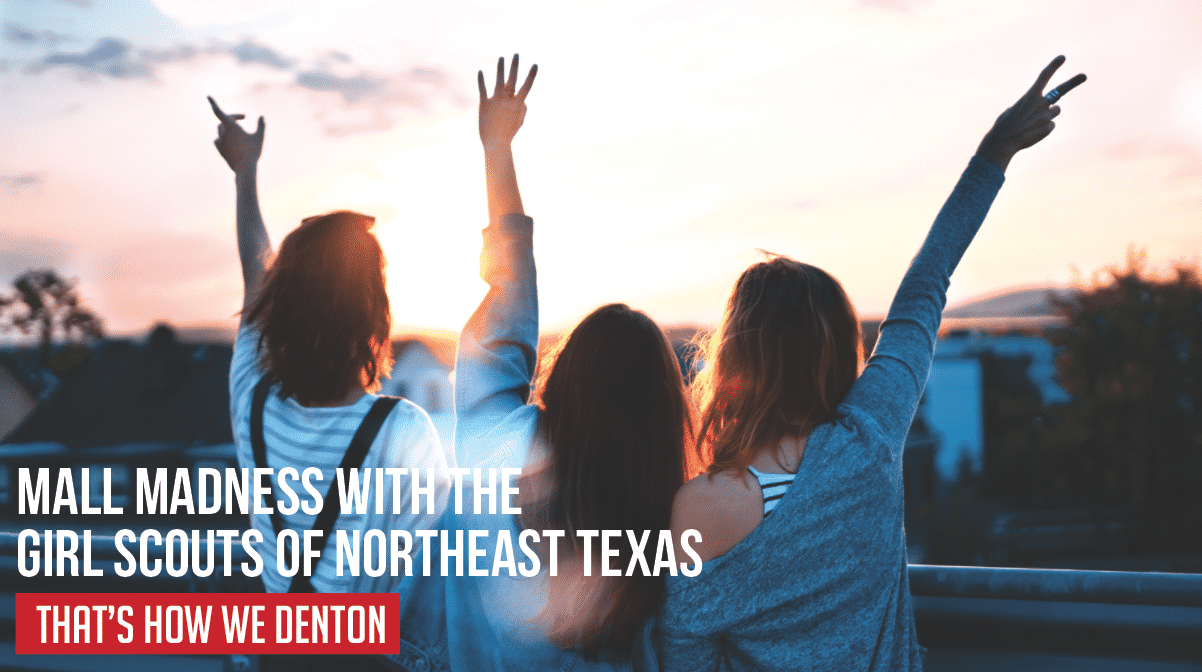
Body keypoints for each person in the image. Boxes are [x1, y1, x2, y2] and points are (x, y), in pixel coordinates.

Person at [662, 56, 1087, 671]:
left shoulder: (700, 507)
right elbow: (925, 288)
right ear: (836, 350)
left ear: (733, 354)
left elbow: (686, 660)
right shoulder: (869, 436)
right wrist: (994, 155)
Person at [386, 56, 694, 672]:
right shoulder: (661, 533)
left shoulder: (497, 445)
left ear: (569, 375)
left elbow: (510, 297)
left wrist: (497, 146)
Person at [209, 96, 451, 602]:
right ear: (373, 315)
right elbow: (423, 582)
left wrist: (245, 173)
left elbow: (256, 276)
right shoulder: (402, 433)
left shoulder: (250, 398)